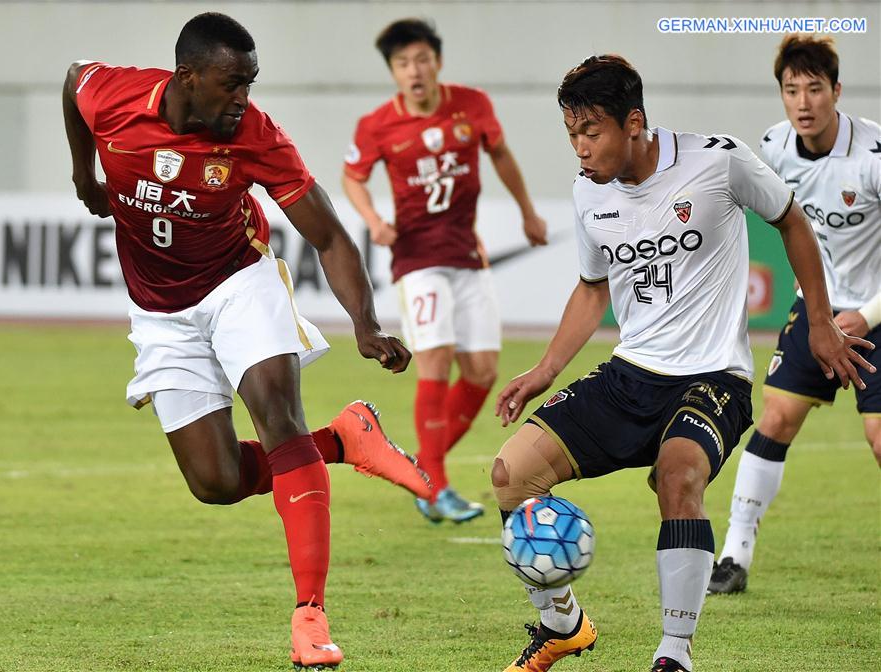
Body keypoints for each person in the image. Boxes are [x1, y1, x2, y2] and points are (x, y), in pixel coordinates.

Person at [62, 12, 432, 670]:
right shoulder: (114, 98)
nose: (244, 99)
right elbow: (72, 83)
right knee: (216, 481)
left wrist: (366, 324)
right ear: (188, 78)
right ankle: (345, 438)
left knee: (277, 413)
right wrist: (83, 175)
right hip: (159, 313)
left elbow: (328, 236)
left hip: (239, 282)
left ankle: (310, 617)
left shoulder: (256, 137)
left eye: (251, 84)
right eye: (232, 85)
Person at [490, 55, 874, 672]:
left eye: (591, 133)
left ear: (633, 123)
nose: (580, 149)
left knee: (679, 478)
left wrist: (822, 321)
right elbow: (593, 288)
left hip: (713, 377)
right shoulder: (589, 192)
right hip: (629, 375)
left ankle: (674, 654)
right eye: (571, 136)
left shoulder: (717, 160)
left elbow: (792, 220)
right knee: (511, 473)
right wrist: (544, 370)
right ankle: (562, 625)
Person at [342, 18, 548, 523]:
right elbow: (352, 178)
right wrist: (373, 221)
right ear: (393, 71)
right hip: (417, 259)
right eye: (402, 63)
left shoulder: (471, 105)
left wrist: (526, 211)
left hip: (467, 255)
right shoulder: (376, 125)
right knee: (434, 360)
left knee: (481, 372)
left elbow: (500, 155)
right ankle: (433, 486)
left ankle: (419, 469)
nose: (413, 71)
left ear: (437, 61)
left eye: (421, 59)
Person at [709, 34, 881, 596]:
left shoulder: (873, 155)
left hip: (878, 310)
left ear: (837, 90)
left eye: (814, 88)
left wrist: (869, 315)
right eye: (791, 90)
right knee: (777, 418)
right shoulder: (775, 146)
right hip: (820, 306)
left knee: (879, 438)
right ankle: (734, 557)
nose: (803, 102)